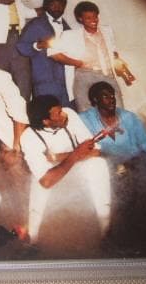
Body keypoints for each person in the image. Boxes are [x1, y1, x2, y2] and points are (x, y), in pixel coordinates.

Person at [20, 95, 111, 244]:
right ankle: (32, 239)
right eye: (58, 113)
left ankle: (106, 232)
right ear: (46, 121)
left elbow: (95, 151)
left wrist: (56, 157)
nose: (64, 114)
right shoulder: (28, 137)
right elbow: (46, 181)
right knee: (37, 183)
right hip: (52, 178)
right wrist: (76, 154)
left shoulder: (70, 115)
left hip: (75, 169)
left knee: (98, 164)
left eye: (61, 109)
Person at [47, 1, 130, 112]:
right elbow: (53, 53)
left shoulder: (107, 30)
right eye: (88, 18)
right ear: (80, 19)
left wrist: (121, 66)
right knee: (86, 111)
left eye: (95, 17)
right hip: (84, 76)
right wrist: (77, 63)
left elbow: (113, 52)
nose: (93, 20)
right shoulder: (71, 35)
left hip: (107, 74)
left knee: (118, 109)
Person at [16, 0, 72, 106]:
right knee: (47, 112)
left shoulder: (68, 28)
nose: (57, 8)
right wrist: (38, 45)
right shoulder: (36, 24)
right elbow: (21, 47)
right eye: (53, 5)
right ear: (46, 6)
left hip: (67, 80)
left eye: (60, 5)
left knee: (67, 112)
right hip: (44, 79)